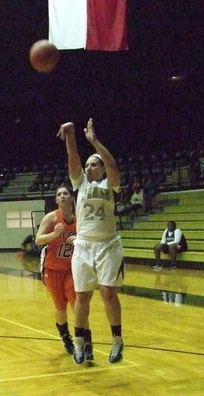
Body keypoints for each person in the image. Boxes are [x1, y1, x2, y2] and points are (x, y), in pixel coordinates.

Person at [57, 118, 125, 365]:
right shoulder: (80, 184)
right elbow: (73, 157)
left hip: (108, 245)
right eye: (87, 165)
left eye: (93, 165)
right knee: (82, 296)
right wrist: (72, 136)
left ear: (101, 168)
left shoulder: (110, 183)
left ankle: (117, 340)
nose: (88, 168)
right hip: (84, 246)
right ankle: (79, 342)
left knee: (108, 293)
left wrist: (94, 142)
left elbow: (112, 164)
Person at [34, 184, 77, 355]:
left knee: (76, 302)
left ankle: (82, 338)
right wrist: (53, 235)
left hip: (72, 268)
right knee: (60, 306)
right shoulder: (51, 218)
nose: (62, 196)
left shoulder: (79, 218)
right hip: (52, 268)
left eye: (65, 193)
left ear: (72, 197)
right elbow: (38, 240)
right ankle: (65, 337)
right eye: (59, 194)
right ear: (56, 200)